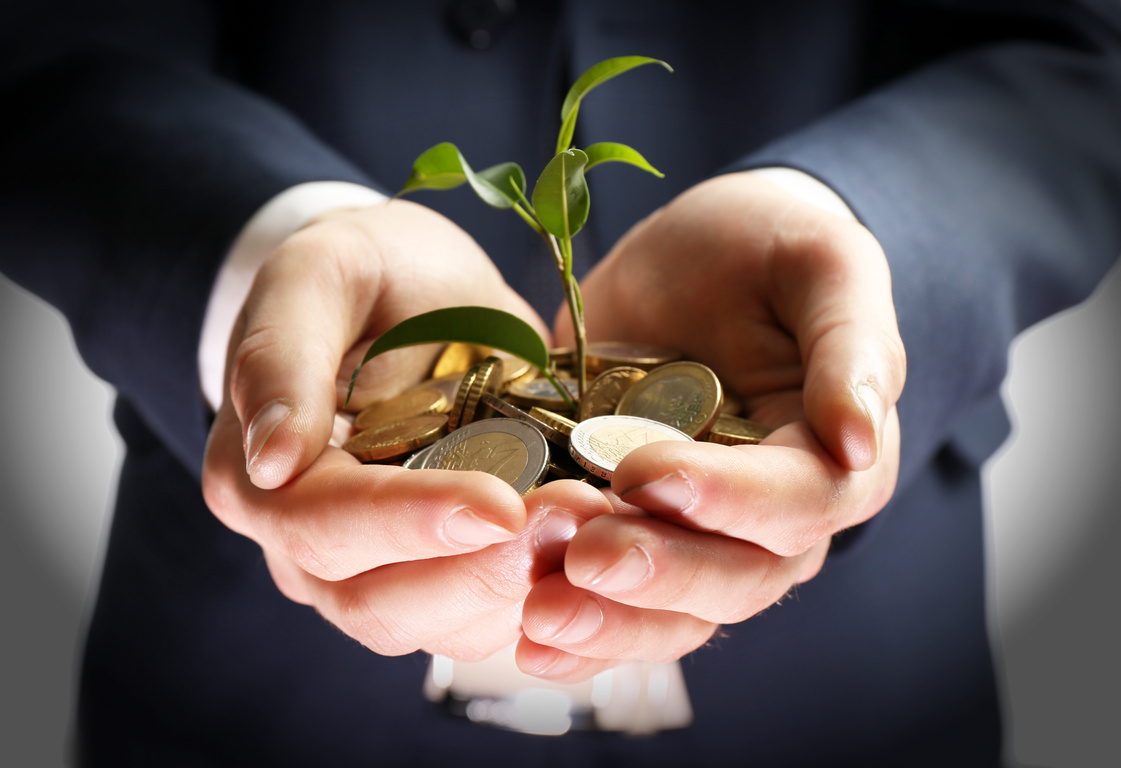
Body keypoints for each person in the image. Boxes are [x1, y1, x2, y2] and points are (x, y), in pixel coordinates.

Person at [1, 0, 1119, 765]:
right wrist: (269, 248)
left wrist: (858, 238)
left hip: (850, 696)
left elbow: (1075, 52)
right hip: (253, 699)